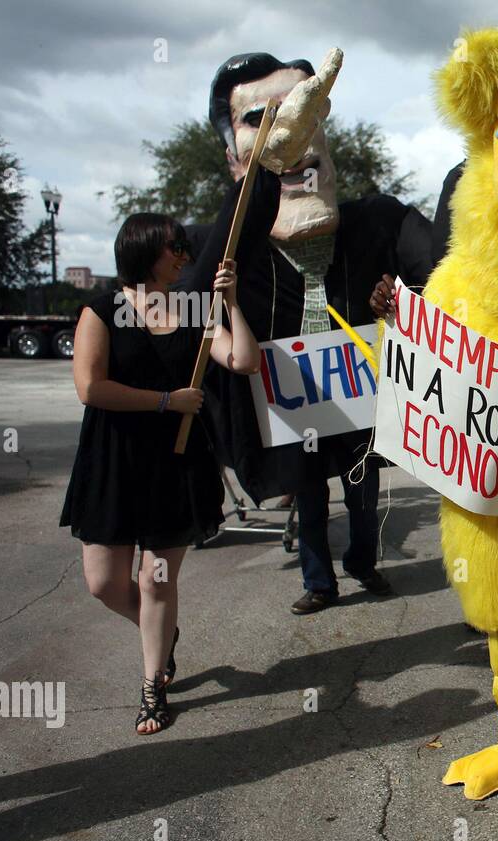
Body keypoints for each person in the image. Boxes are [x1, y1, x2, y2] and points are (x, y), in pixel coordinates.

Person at [188, 52, 434, 615]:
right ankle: (319, 581)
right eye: (264, 119)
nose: (291, 128)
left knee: (364, 486)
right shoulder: (230, 245)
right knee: (309, 493)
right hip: (290, 396)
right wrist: (259, 186)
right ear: (233, 159)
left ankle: (362, 562)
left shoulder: (379, 221)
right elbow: (188, 300)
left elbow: (452, 273)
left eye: (305, 110)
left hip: (359, 390)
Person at [60, 213, 262, 734]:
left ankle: (153, 686)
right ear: (144, 249)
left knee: (156, 579)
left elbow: (244, 360)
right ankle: (162, 633)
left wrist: (232, 302)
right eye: (174, 246)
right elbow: (90, 387)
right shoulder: (102, 310)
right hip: (114, 461)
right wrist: (167, 401)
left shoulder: (194, 311)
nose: (183, 255)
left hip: (176, 463)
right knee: (104, 583)